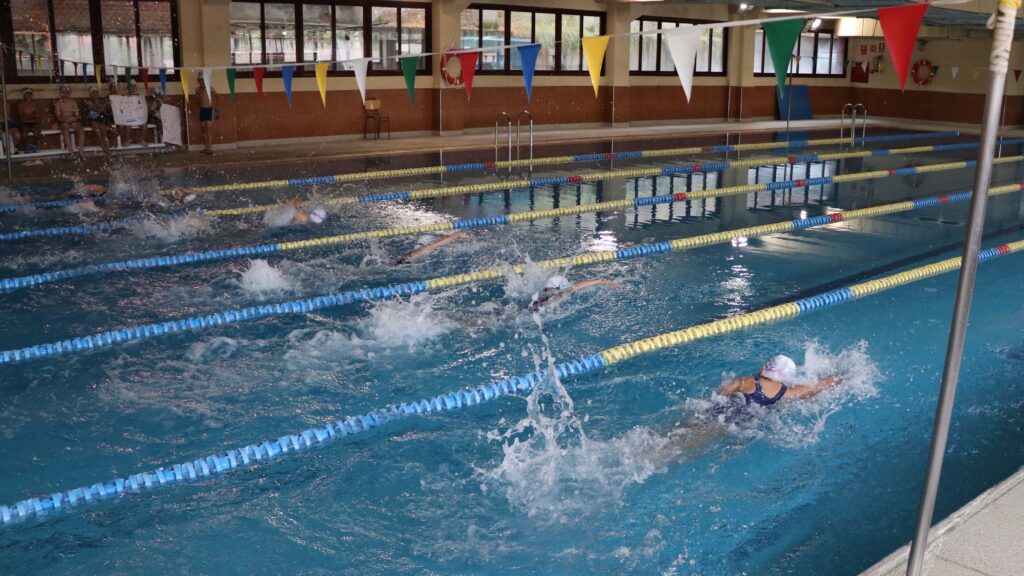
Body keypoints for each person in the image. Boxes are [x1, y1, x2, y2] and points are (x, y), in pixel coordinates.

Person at [528, 274, 623, 311]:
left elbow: (576, 286)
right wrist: (600, 282)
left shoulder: (552, 295)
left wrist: (600, 282)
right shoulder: (556, 296)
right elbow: (575, 286)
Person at [53, 85, 86, 161]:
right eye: (64, 92)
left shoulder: (73, 102)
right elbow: (58, 117)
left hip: (73, 120)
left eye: (67, 92)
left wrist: (73, 119)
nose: (66, 94)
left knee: (81, 130)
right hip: (64, 121)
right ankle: (71, 152)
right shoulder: (58, 103)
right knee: (65, 129)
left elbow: (77, 115)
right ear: (61, 93)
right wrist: (65, 120)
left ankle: (81, 151)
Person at [395, 232, 470, 265]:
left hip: (402, 262)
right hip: (405, 264)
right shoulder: (426, 248)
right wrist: (458, 234)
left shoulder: (414, 251)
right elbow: (442, 241)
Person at [85, 85, 114, 159]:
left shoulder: (100, 101)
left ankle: (109, 152)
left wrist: (112, 109)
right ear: (90, 94)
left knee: (105, 136)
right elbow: (98, 110)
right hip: (92, 120)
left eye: (96, 92)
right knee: (99, 135)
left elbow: (105, 112)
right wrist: (105, 104)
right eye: (93, 93)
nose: (95, 94)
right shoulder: (88, 102)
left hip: (100, 119)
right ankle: (105, 152)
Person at [195, 76, 218, 155]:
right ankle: (206, 147)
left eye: (203, 80)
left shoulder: (210, 88)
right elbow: (197, 100)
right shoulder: (197, 90)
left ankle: (210, 147)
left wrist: (214, 107)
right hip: (202, 110)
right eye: (200, 80)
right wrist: (198, 108)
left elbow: (217, 96)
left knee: (208, 129)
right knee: (203, 130)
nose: (202, 82)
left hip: (209, 109)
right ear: (198, 81)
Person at [16, 88, 42, 153]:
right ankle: (26, 148)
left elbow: (38, 116)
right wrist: (32, 116)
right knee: (24, 135)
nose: (29, 96)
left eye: (30, 94)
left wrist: (27, 117)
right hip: (24, 124)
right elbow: (21, 117)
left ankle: (34, 146)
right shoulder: (20, 105)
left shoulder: (35, 104)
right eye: (27, 94)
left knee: (37, 134)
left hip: (34, 123)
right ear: (24, 95)